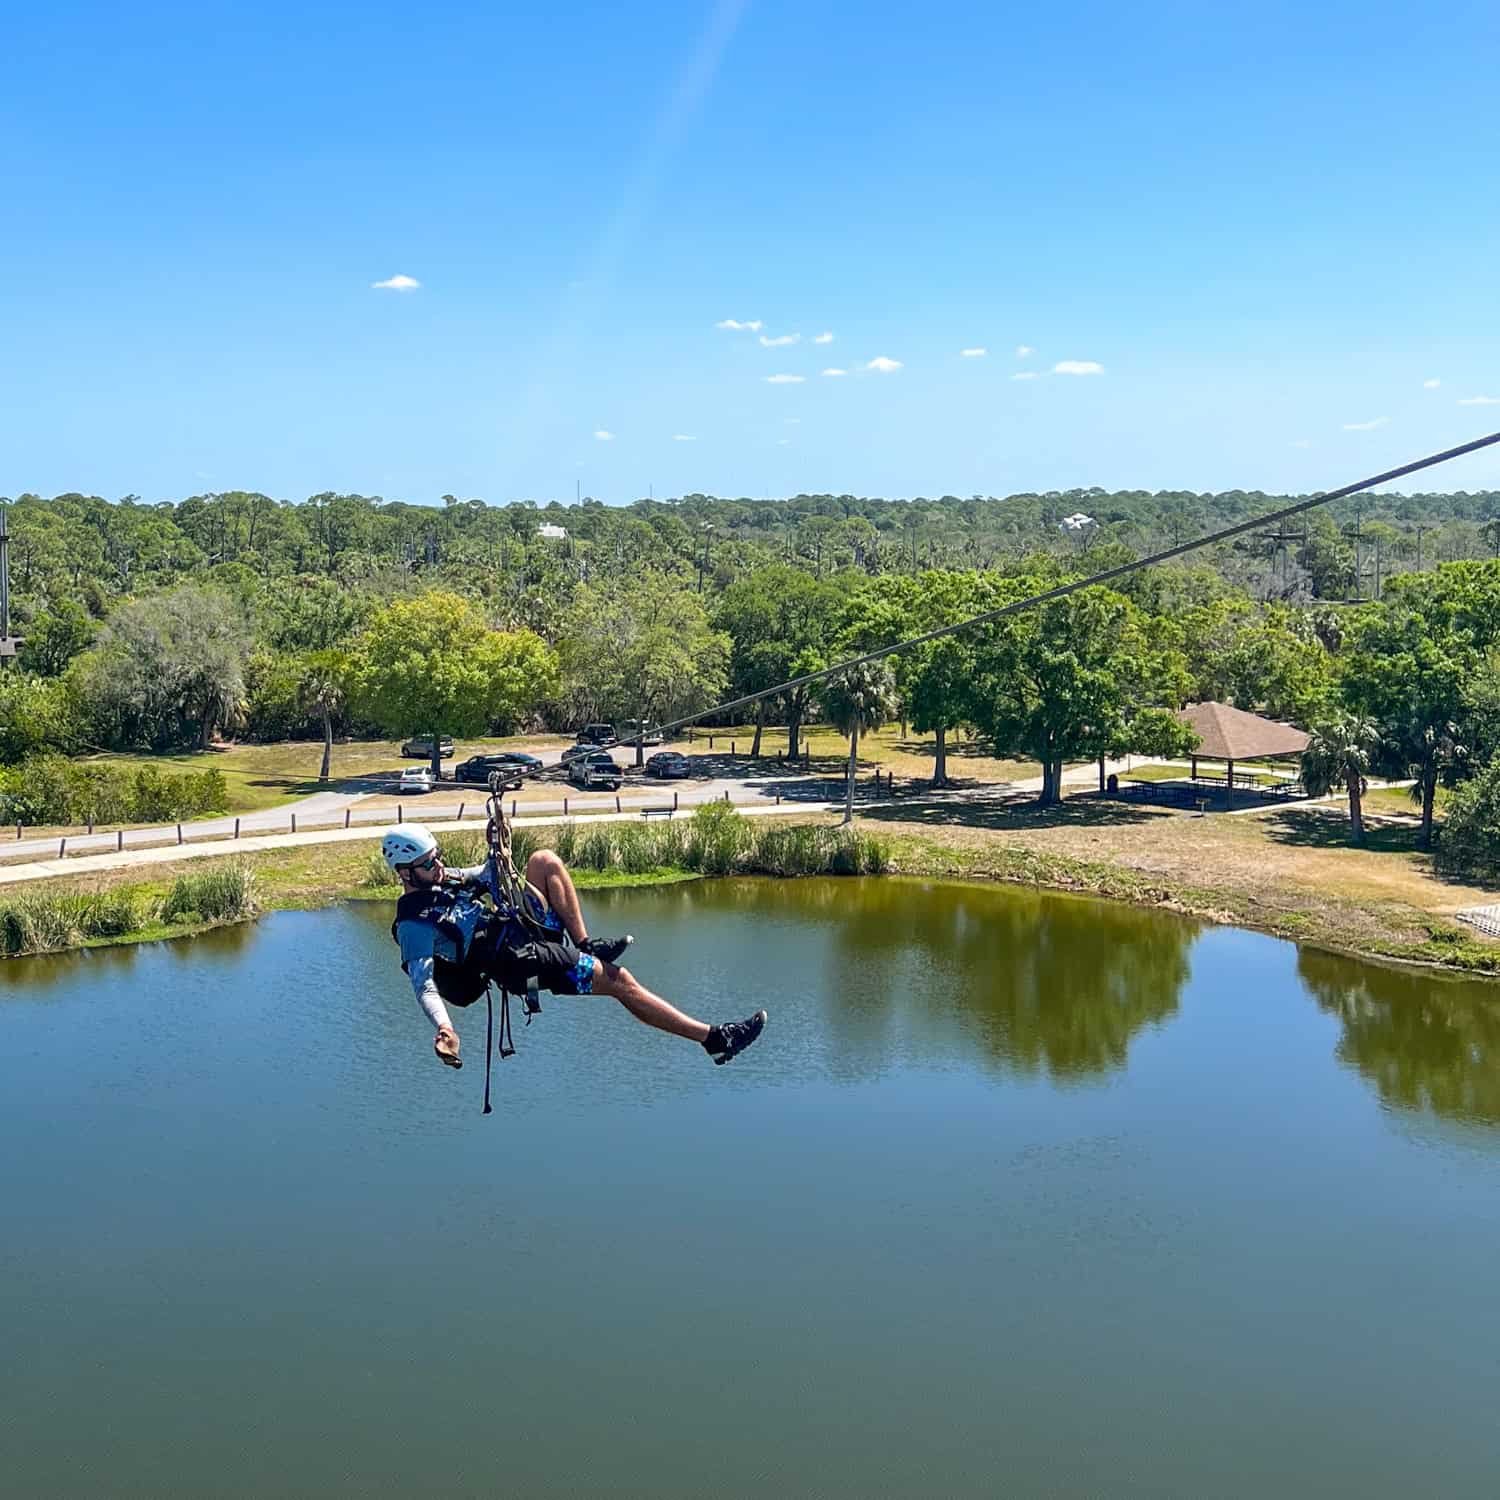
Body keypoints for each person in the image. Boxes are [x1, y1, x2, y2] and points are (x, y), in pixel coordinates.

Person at [384, 820, 767, 1071]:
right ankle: (715, 1039)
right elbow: (424, 984)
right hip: (523, 962)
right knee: (621, 982)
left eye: (437, 858)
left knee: (544, 861)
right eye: (429, 864)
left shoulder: (443, 880)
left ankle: (587, 943)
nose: (439, 866)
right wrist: (445, 1028)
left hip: (522, 931)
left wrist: (496, 847)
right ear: (405, 873)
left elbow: (488, 875)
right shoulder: (413, 925)